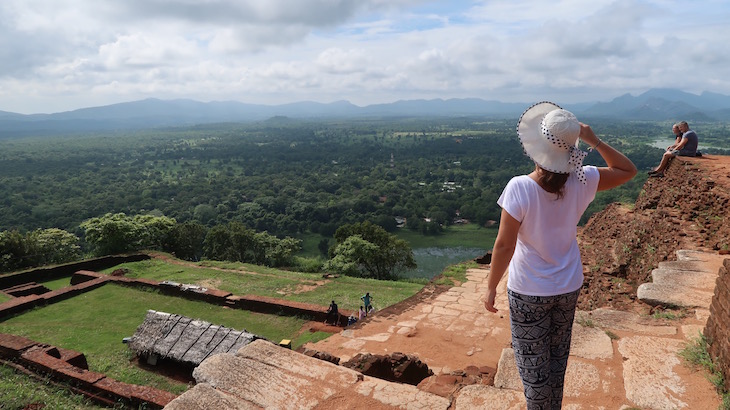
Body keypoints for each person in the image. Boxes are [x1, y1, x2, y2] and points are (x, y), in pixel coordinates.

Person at [483, 102, 637, 409]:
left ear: (537, 147)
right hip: (568, 285)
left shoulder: (520, 188)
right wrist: (595, 141)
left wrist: (490, 287)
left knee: (532, 365)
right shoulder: (584, 178)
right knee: (555, 360)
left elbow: (503, 246)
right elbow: (628, 170)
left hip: (529, 290)